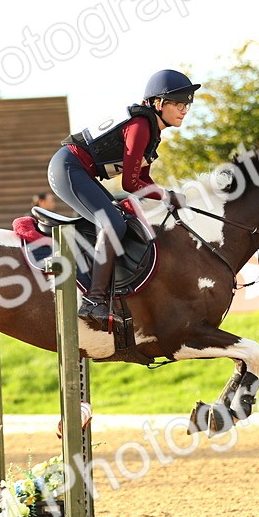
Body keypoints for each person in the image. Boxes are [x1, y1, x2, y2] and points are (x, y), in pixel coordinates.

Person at [47, 69, 198, 330]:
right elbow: (130, 184)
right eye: (179, 103)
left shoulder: (152, 131)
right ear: (158, 104)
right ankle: (93, 301)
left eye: (188, 104)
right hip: (68, 167)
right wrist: (167, 196)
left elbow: (144, 181)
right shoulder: (140, 126)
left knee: (124, 220)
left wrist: (167, 198)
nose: (185, 110)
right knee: (113, 224)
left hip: (79, 171)